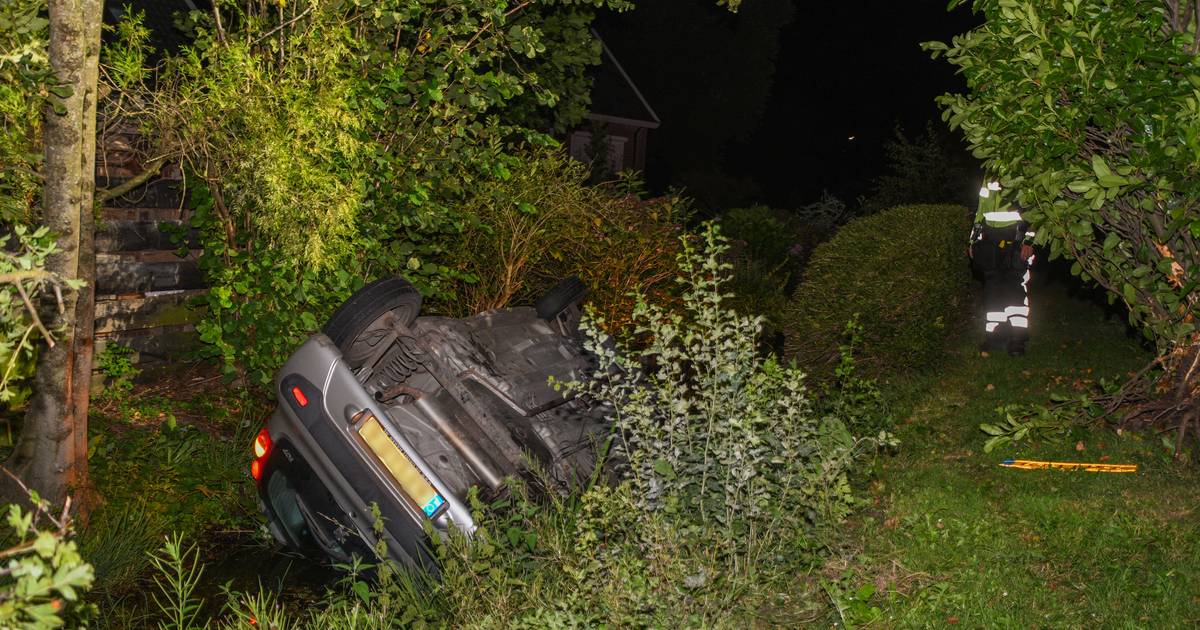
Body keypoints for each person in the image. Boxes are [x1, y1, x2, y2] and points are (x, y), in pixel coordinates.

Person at [969, 180, 1035, 356]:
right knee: (992, 290)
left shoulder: (1021, 165)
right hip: (990, 242)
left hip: (1017, 240)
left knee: (1015, 291)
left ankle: (1017, 340)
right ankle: (995, 337)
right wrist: (973, 239)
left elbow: (1037, 210)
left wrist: (1029, 240)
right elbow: (981, 208)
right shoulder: (989, 173)